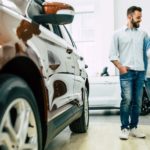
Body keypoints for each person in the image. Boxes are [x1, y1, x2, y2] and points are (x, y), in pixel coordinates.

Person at [109, 6, 148, 140]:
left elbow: (147, 52)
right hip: (127, 73)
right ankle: (124, 128)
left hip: (140, 72)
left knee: (137, 101)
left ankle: (134, 127)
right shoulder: (117, 34)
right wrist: (120, 67)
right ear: (130, 16)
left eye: (141, 17)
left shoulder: (143, 34)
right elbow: (112, 55)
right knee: (127, 100)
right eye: (138, 17)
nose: (140, 20)